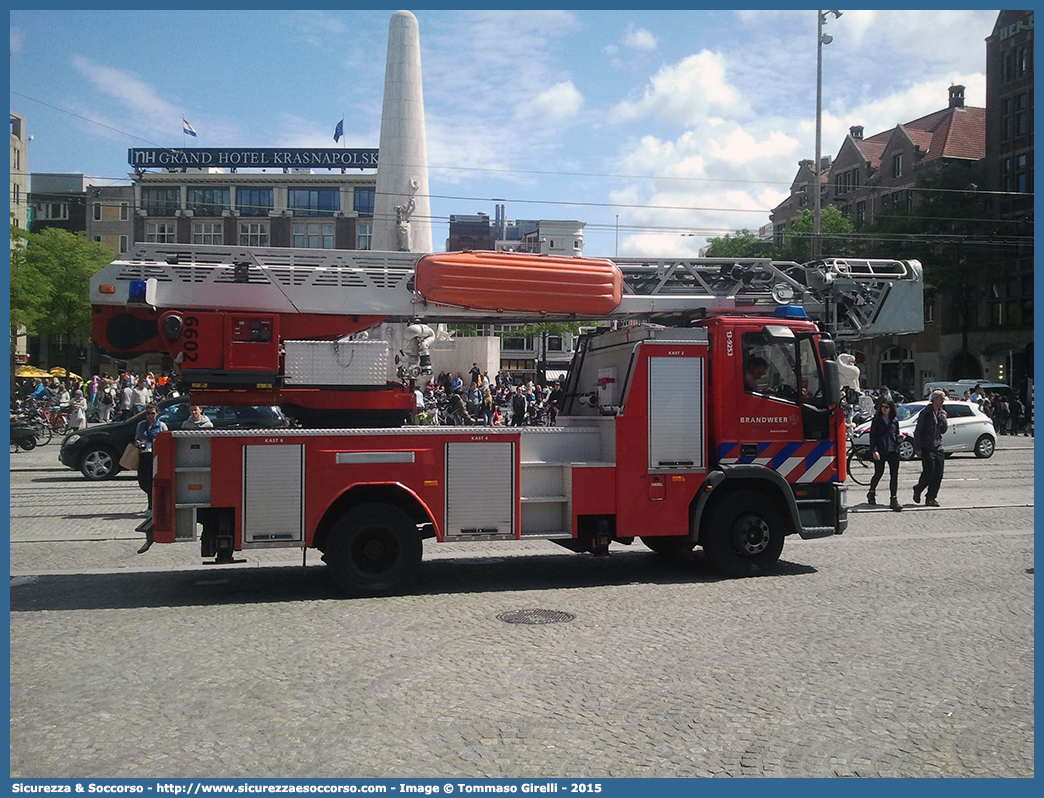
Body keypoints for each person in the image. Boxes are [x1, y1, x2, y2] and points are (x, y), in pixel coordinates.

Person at [912, 391, 948, 507]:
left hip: (938, 446)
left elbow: (943, 430)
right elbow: (918, 431)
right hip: (927, 446)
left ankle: (931, 498)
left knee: (938, 474)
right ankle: (918, 489)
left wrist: (944, 421)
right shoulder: (926, 413)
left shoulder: (942, 412)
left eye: (943, 399)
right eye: (941, 399)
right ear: (934, 399)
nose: (942, 401)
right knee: (929, 472)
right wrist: (918, 448)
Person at [867, 398, 902, 511]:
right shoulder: (877, 420)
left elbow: (896, 434)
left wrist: (899, 439)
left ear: (891, 408)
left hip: (893, 451)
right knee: (878, 473)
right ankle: (871, 492)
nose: (884, 409)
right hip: (881, 450)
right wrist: (874, 450)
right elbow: (873, 436)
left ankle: (893, 499)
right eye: (882, 407)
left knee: (894, 475)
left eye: (886, 407)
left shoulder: (894, 420)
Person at [134, 404, 168, 520]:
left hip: (156, 456)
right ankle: (151, 505)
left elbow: (167, 441)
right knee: (143, 481)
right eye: (147, 413)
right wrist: (138, 443)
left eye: (152, 413)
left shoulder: (161, 426)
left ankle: (152, 507)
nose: (150, 416)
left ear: (157, 413)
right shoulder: (141, 425)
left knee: (153, 482)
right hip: (144, 455)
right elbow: (136, 438)